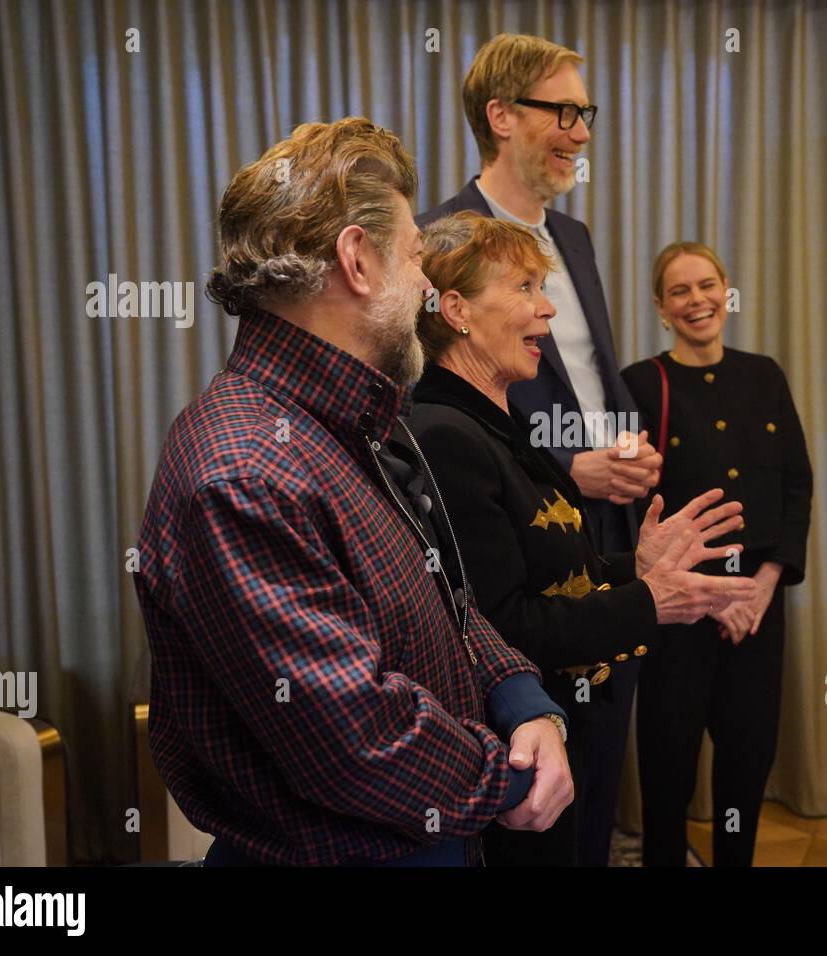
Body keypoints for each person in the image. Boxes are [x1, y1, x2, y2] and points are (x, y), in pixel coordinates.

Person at [134, 118, 574, 867]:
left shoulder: (365, 421)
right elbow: (354, 738)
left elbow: (450, 606)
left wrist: (522, 701)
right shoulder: (244, 469)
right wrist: (510, 777)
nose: (429, 284)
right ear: (358, 261)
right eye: (414, 256)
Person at [407, 212, 756, 865]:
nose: (546, 312)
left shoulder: (494, 428)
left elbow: (556, 572)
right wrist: (651, 600)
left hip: (567, 724)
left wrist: (634, 565)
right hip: (516, 752)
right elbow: (501, 625)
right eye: (524, 289)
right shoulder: (446, 436)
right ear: (456, 309)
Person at [418, 33, 658, 865]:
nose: (582, 131)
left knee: (598, 759)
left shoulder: (576, 238)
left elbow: (592, 375)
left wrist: (628, 443)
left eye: (583, 113)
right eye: (564, 111)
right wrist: (570, 466)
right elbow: (437, 408)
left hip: (612, 528)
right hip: (517, 544)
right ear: (501, 116)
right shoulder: (436, 242)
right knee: (539, 790)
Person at [620, 241, 814, 866]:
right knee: (667, 764)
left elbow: (796, 483)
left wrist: (766, 581)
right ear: (661, 307)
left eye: (707, 285)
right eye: (680, 291)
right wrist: (705, 597)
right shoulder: (641, 383)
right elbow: (632, 509)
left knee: (746, 762)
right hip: (678, 612)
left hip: (758, 606)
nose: (697, 300)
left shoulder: (764, 374)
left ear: (726, 290)